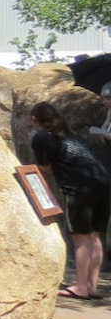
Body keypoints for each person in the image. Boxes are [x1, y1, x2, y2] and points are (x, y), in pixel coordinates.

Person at [30, 101, 111, 299]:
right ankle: (91, 286)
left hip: (79, 189)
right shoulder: (70, 135)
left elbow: (45, 166)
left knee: (80, 238)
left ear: (35, 119)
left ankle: (80, 287)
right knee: (94, 236)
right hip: (103, 183)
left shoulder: (41, 136)